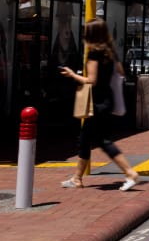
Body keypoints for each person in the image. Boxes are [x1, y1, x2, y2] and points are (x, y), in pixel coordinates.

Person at [58, 18, 141, 191]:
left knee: (101, 141)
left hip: (97, 103)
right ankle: (77, 178)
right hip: (106, 101)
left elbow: (92, 80)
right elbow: (121, 72)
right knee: (85, 139)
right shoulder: (109, 52)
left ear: (89, 34)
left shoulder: (94, 53)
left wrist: (73, 75)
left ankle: (130, 173)